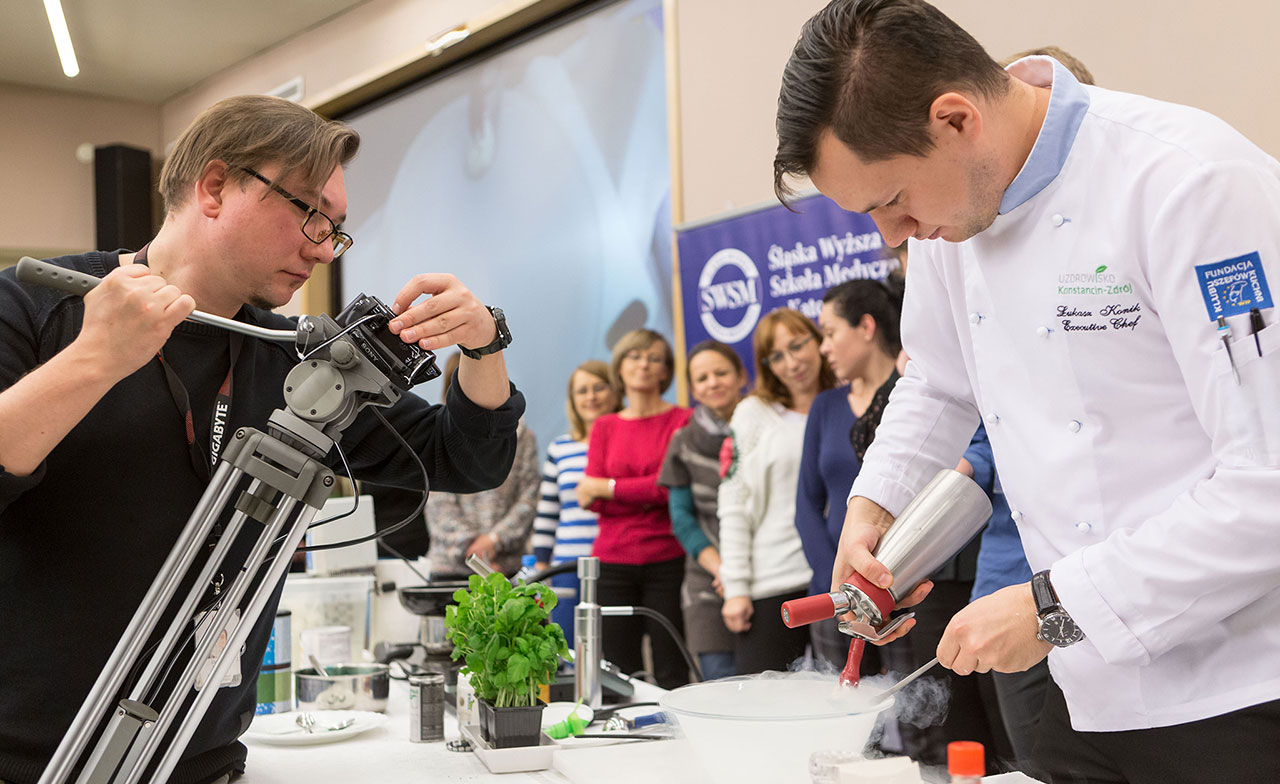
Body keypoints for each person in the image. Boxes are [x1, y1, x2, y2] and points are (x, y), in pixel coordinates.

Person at [775, 2, 1280, 781]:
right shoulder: (951, 218)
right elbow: (938, 381)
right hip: (1086, 689)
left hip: (1242, 686)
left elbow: (1268, 481)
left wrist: (1054, 607)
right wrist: (874, 508)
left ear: (955, 120)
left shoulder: (1190, 182)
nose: (892, 236)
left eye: (890, 201)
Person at [0, 95, 523, 784]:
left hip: (208, 763)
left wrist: (484, 346)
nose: (321, 246)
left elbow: (468, 459)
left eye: (335, 230)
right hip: (35, 764)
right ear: (215, 186)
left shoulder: (298, 361)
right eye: (309, 212)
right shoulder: (40, 308)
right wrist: (95, 358)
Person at [718, 308, 831, 674]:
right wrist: (736, 587)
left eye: (797, 346)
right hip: (774, 581)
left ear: (818, 340)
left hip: (837, 579)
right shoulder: (754, 413)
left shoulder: (845, 402)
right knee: (765, 700)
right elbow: (734, 505)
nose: (791, 363)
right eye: (776, 356)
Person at [581, 329, 692, 689]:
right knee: (618, 674)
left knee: (672, 669)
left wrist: (610, 488)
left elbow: (668, 488)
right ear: (620, 366)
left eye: (654, 358)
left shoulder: (683, 421)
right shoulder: (605, 426)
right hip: (612, 563)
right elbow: (589, 498)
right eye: (635, 356)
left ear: (666, 371)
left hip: (668, 559)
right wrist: (638, 490)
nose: (643, 364)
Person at [657, 340, 748, 681]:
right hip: (708, 583)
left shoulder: (767, 430)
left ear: (741, 376)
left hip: (768, 574)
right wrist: (725, 570)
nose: (713, 383)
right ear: (693, 389)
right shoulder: (682, 442)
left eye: (721, 373)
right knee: (719, 686)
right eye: (702, 378)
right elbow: (682, 519)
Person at [425, 351, 539, 578]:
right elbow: (438, 504)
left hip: (507, 567)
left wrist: (494, 540)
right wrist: (475, 550)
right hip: (450, 568)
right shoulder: (438, 431)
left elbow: (529, 497)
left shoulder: (522, 436)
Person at [533, 360, 621, 639]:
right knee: (568, 648)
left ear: (615, 392)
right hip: (567, 567)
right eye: (582, 391)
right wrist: (541, 566)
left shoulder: (625, 444)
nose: (591, 397)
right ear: (572, 400)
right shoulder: (560, 448)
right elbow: (547, 513)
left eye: (599, 388)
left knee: (613, 647)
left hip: (615, 564)